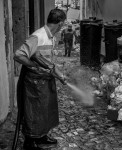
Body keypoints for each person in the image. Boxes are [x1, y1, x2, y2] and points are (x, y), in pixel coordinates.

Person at [13, 9, 66, 150]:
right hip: (34, 83)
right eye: (63, 24)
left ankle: (42, 136)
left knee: (46, 110)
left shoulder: (51, 37)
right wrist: (33, 64)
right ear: (60, 23)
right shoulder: (38, 36)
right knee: (34, 112)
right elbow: (18, 55)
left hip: (45, 80)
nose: (63, 26)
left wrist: (58, 74)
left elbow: (47, 61)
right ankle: (30, 142)